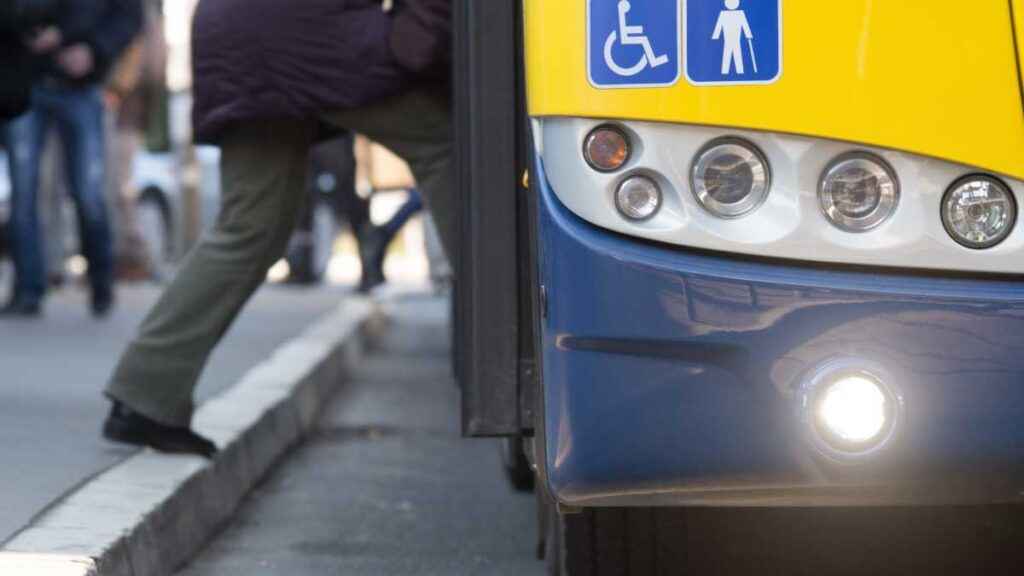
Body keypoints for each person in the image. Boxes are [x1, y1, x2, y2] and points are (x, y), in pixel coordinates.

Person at [101, 0, 453, 457]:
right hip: (307, 33)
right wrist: (417, 43)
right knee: (450, 143)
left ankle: (145, 394)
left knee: (250, 227)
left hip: (241, 33)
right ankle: (506, 325)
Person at [1, 0, 143, 317]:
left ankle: (101, 284)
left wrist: (92, 48)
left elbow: (129, 16)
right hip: (24, 79)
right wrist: (25, 29)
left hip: (82, 84)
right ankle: (27, 290)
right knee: (24, 194)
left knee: (88, 191)